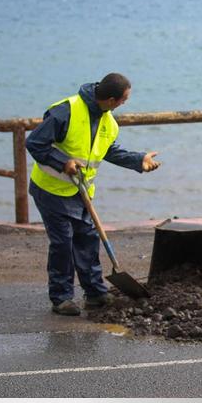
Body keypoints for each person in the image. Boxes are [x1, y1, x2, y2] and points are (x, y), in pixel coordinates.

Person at [27, 73, 160, 316]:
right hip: (50, 190)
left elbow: (109, 151)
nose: (124, 103)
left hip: (80, 192)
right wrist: (62, 161)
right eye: (124, 99)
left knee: (87, 239)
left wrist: (138, 160)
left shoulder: (108, 122)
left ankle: (95, 294)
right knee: (63, 243)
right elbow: (34, 143)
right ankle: (61, 298)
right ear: (111, 99)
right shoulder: (65, 111)